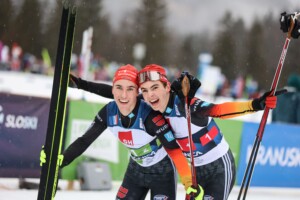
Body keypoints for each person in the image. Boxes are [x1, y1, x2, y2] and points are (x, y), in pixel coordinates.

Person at [68, 64, 281, 199]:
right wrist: (80, 84)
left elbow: (218, 110)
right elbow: (117, 93)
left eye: (155, 88)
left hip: (218, 167)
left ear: (167, 87)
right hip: (194, 170)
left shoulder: (186, 105)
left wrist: (255, 105)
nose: (150, 95)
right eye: (145, 91)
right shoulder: (151, 104)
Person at [41, 64, 203, 200]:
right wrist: (58, 162)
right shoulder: (108, 113)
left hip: (163, 172)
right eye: (118, 88)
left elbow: (174, 149)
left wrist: (188, 181)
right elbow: (84, 141)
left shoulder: (150, 116)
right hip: (136, 170)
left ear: (137, 92)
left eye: (130, 89)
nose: (124, 95)